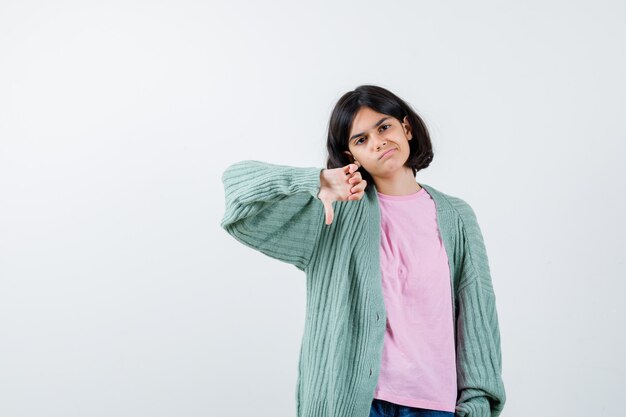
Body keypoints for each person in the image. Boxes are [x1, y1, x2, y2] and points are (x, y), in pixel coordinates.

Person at [220, 85, 506, 417]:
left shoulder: (457, 216)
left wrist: (478, 401)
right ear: (351, 156)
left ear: (407, 128)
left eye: (384, 127)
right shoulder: (333, 213)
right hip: (354, 404)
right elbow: (237, 195)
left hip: (436, 405)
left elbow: (477, 312)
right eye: (360, 139)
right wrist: (316, 182)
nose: (378, 142)